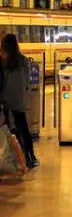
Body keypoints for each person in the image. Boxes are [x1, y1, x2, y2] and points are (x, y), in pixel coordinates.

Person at [0, 34, 38, 168]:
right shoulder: (24, 61)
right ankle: (31, 156)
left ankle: (13, 158)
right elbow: (27, 82)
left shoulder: (2, 62)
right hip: (20, 101)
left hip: (5, 102)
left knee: (7, 130)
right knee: (23, 128)